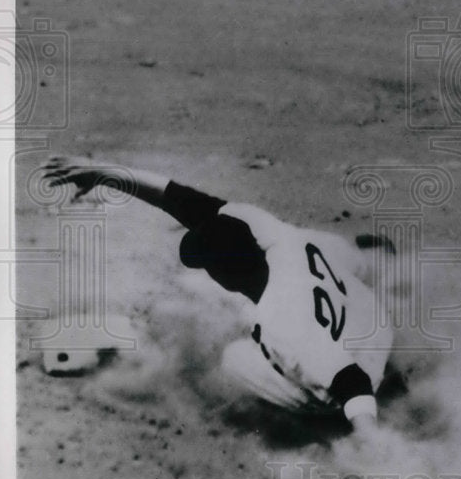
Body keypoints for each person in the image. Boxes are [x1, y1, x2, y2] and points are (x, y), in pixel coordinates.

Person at [42, 155, 395, 434]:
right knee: (330, 251)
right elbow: (180, 199)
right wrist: (104, 173)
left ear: (226, 273)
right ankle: (374, 272)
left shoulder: (281, 318)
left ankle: (325, 423)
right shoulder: (269, 231)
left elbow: (352, 381)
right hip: (372, 318)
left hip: (360, 369)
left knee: (237, 357)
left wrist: (372, 446)